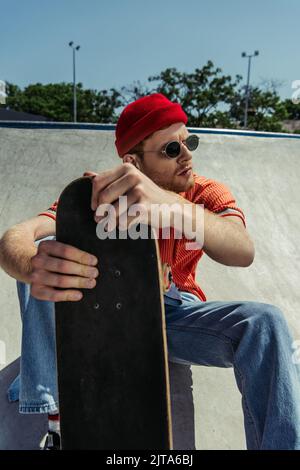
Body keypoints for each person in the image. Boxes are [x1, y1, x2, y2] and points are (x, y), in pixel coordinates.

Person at [0, 93, 299, 450]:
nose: (187, 155)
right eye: (171, 150)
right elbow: (17, 236)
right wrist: (33, 264)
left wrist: (170, 205)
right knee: (50, 255)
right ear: (133, 161)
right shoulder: (107, 195)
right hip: (118, 311)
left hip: (178, 315)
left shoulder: (206, 193)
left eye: (189, 141)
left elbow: (242, 249)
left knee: (265, 322)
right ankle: (58, 422)